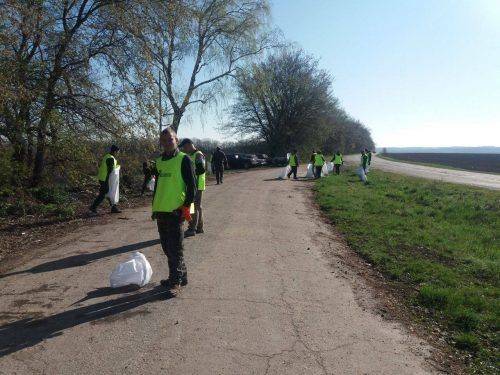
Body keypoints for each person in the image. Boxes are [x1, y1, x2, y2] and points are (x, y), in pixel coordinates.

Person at [151, 127, 196, 294]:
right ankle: (180, 277)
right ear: (161, 143)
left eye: (170, 139)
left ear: (176, 140)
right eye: (164, 141)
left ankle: (175, 282)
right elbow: (158, 185)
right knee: (166, 247)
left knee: (175, 248)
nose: (167, 143)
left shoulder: (184, 159)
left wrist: (185, 208)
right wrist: (154, 207)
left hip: (176, 210)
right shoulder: (159, 161)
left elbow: (192, 186)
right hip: (161, 209)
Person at [179, 138, 206, 237]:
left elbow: (201, 169)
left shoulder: (198, 154)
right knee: (197, 206)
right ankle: (199, 228)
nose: (184, 149)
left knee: (193, 206)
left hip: (197, 184)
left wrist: (190, 173)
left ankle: (192, 229)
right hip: (195, 184)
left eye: (185, 147)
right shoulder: (190, 155)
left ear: (190, 144)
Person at [90, 145, 121, 214]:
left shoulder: (107, 156)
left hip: (102, 177)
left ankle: (114, 207)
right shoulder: (110, 158)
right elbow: (110, 170)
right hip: (105, 178)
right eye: (118, 152)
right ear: (115, 151)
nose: (118, 153)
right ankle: (93, 207)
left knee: (108, 192)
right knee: (104, 193)